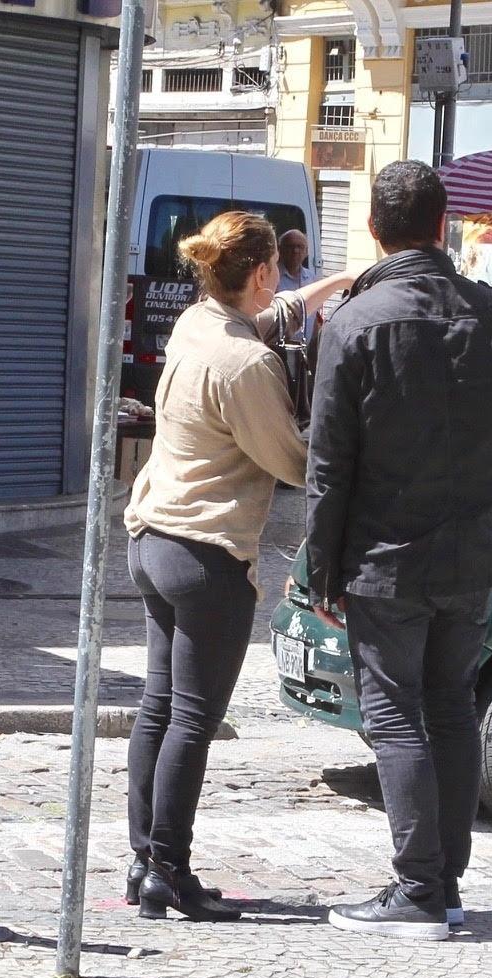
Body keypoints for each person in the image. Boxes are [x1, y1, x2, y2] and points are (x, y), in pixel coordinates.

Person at [306, 160, 492, 941]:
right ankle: (446, 884)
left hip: (385, 553)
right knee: (451, 709)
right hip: (468, 550)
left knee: (397, 716)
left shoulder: (355, 321)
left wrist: (320, 566)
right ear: (443, 226)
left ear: (373, 228)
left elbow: (328, 461)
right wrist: (489, 522)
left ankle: (418, 890)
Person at [124, 211, 354, 922]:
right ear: (259, 271)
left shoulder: (198, 323)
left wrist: (342, 282)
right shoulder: (249, 365)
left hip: (153, 538)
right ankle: (171, 868)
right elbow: (286, 460)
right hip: (207, 557)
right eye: (277, 271)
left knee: (158, 709)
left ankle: (143, 863)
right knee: (193, 720)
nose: (283, 283)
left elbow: (270, 313)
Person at [277, 228, 317, 340]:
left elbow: (315, 317)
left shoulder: (311, 278)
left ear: (306, 252)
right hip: (279, 348)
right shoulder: (273, 277)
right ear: (280, 250)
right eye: (290, 246)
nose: (295, 251)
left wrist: (314, 347)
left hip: (304, 349)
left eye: (300, 247)